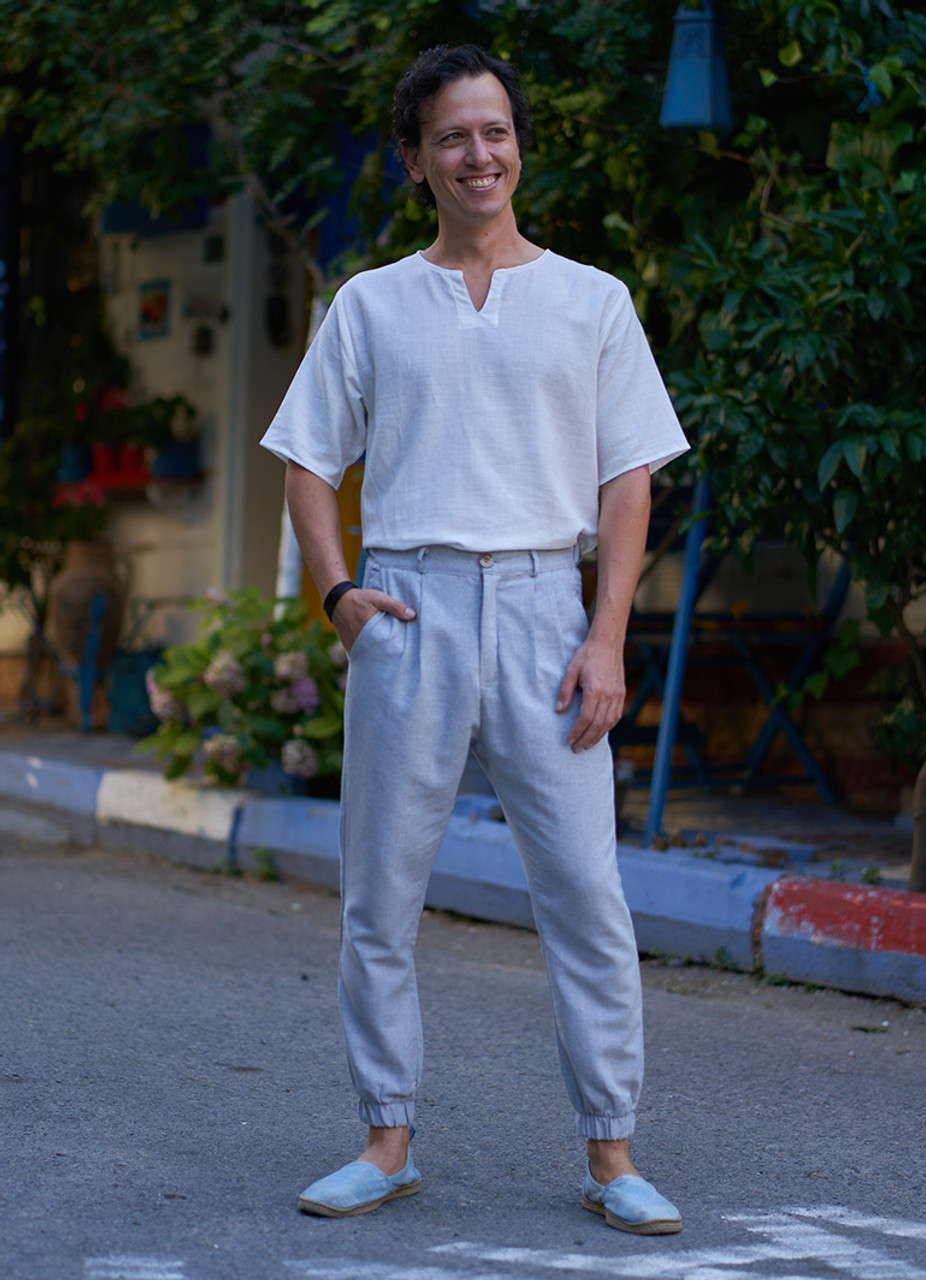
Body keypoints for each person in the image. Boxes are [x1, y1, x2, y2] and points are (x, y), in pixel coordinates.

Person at [260, 44, 689, 1234]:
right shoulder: (371, 303)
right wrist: (338, 594)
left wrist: (605, 638)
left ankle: (612, 1153)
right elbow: (306, 457)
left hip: (548, 611)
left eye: (493, 131)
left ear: (517, 146)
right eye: (451, 136)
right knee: (378, 894)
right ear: (415, 161)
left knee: (584, 894)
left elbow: (626, 481)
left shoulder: (590, 300)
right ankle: (384, 1138)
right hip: (409, 606)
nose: (477, 152)